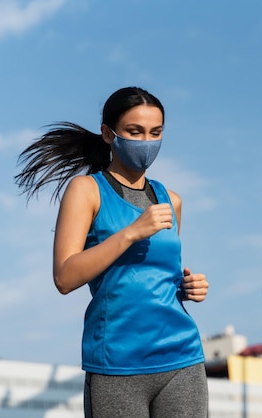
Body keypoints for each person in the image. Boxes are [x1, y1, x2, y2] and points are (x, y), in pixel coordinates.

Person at [15, 86, 209, 418]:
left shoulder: (171, 200)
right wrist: (132, 232)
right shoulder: (86, 190)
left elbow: (152, 276)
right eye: (135, 132)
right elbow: (64, 277)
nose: (147, 142)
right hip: (117, 363)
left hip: (182, 356)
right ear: (109, 134)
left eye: (155, 133)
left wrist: (187, 288)